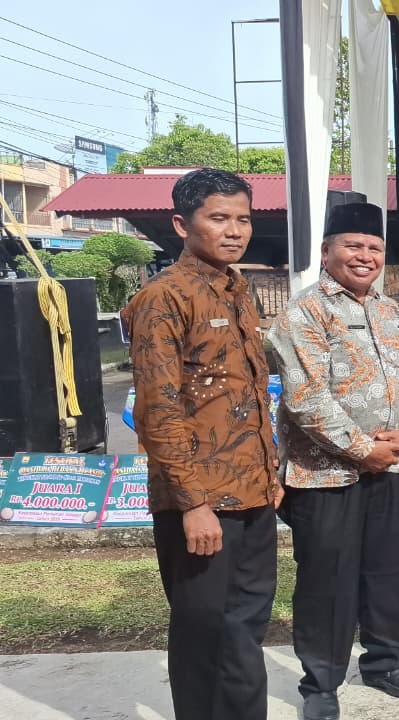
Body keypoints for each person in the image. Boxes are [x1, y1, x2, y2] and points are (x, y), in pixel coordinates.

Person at [121, 168, 281, 720]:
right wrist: (193, 505)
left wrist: (271, 476)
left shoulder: (237, 290)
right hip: (200, 502)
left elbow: (249, 393)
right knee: (205, 631)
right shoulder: (163, 298)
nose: (234, 231)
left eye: (243, 219)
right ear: (181, 224)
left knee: (246, 628)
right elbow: (158, 411)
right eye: (218, 218)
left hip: (253, 494)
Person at [270, 202, 399, 720]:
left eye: (374, 248)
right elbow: (306, 398)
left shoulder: (393, 313)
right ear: (326, 251)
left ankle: (384, 663)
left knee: (386, 572)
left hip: (389, 468)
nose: (365, 256)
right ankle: (321, 682)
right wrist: (366, 449)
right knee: (327, 581)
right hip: (325, 475)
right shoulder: (304, 312)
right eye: (353, 245)